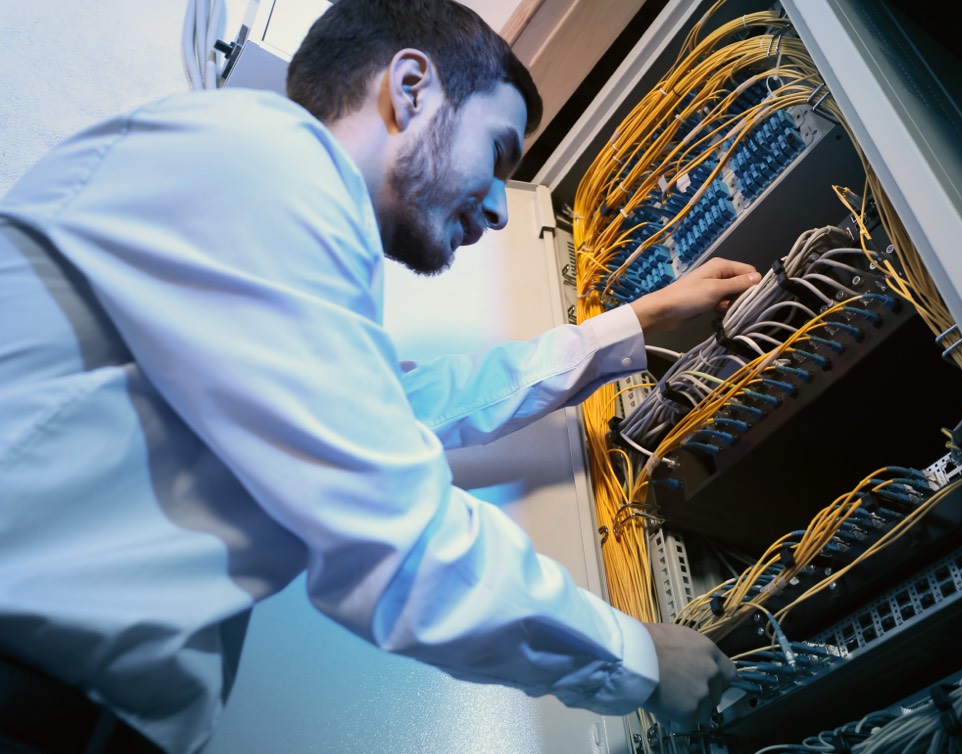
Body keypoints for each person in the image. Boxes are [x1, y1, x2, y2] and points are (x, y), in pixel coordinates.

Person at [0, 1, 757, 752]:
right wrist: (635, 658)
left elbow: (410, 406)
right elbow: (394, 529)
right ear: (411, 87)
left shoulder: (267, 204)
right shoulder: (265, 162)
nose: (499, 210)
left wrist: (634, 323)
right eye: (497, 153)